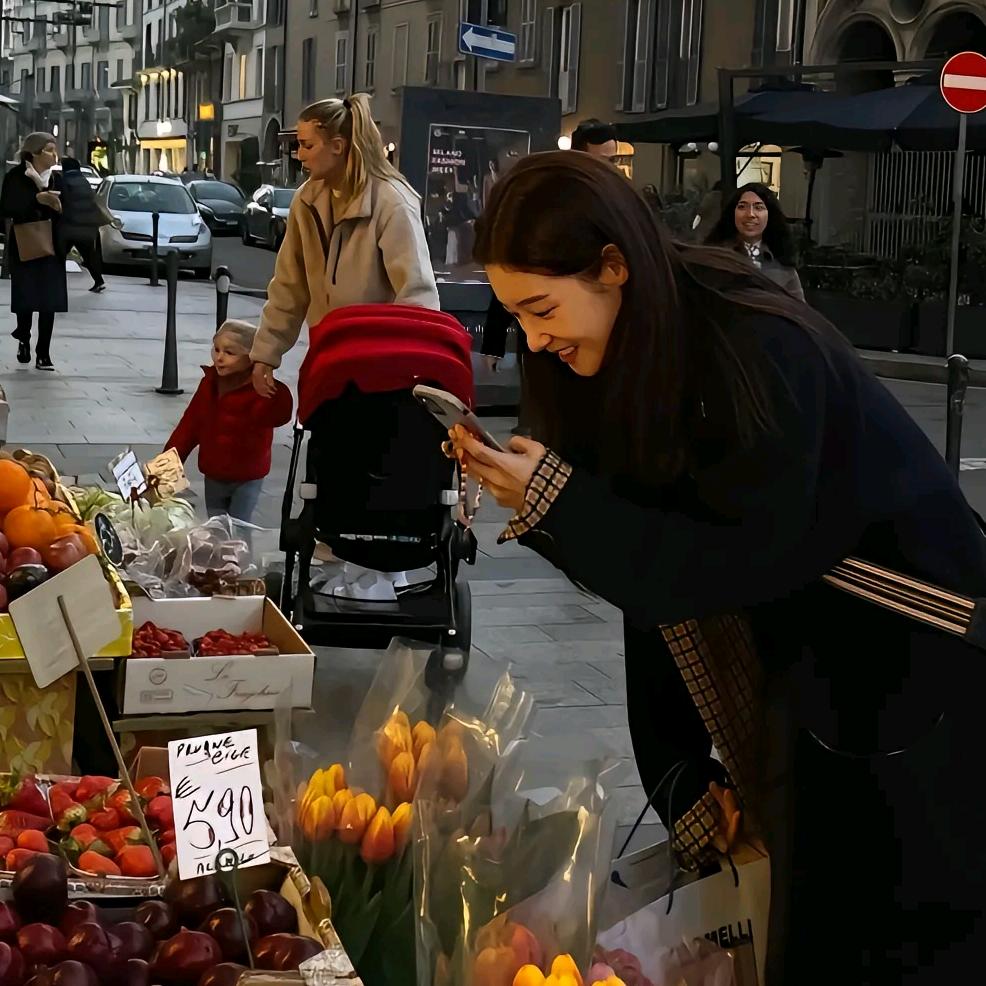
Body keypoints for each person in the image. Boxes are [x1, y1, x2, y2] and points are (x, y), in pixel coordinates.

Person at [448, 151, 986, 984]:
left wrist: (561, 503)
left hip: (911, 663)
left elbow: (727, 561)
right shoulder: (631, 351)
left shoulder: (756, 341)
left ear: (614, 268)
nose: (535, 338)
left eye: (544, 308)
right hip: (819, 666)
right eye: (515, 315)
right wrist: (680, 775)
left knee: (887, 924)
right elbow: (652, 574)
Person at [250, 92, 438, 397]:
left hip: (382, 371)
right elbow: (288, 284)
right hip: (328, 359)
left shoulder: (391, 202)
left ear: (337, 147)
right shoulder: (307, 200)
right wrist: (265, 353)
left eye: (307, 145)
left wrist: (407, 368)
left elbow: (417, 293)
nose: (299, 155)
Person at [166, 320, 293, 524]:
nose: (219, 358)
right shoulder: (209, 384)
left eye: (230, 353)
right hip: (214, 471)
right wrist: (165, 466)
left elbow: (279, 415)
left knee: (238, 528)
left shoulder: (259, 390)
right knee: (216, 527)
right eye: (216, 350)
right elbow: (189, 427)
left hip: (247, 475)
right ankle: (220, 556)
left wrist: (268, 380)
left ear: (251, 358)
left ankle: (241, 557)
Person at [0, 132, 65, 370]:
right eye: (49, 149)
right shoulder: (16, 177)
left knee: (49, 300)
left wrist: (58, 206)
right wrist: (37, 199)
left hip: (51, 246)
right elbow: (7, 207)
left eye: (54, 148)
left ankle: (44, 353)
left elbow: (68, 210)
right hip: (25, 243)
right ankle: (24, 338)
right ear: (34, 152)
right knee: (26, 297)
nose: (54, 153)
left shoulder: (57, 179)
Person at [706, 181, 804, 301]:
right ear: (732, 213)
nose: (750, 214)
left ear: (770, 215)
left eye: (759, 207)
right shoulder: (715, 258)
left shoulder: (784, 267)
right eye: (742, 207)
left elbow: (799, 313)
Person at [58, 157, 108, 293]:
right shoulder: (84, 181)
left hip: (70, 225)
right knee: (89, 255)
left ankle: (55, 282)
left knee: (59, 255)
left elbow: (63, 202)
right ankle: (99, 280)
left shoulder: (64, 181)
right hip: (86, 226)